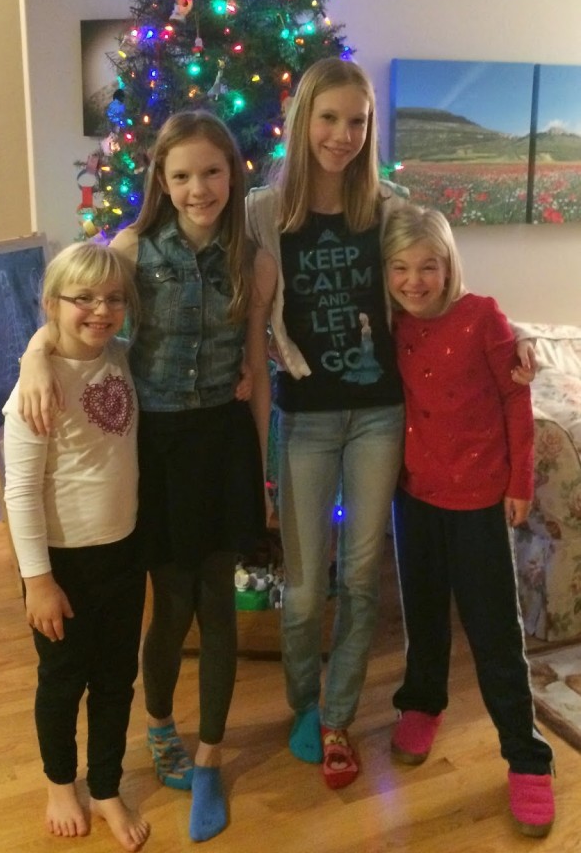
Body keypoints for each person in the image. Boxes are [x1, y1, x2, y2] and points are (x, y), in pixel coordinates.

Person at [18, 111, 276, 844]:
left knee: (219, 605)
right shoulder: (131, 249)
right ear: (161, 178)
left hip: (223, 445)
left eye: (212, 172)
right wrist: (35, 356)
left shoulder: (254, 260)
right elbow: (75, 311)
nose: (199, 188)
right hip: (154, 447)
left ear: (233, 173)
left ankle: (211, 755)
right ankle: (160, 725)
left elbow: (256, 371)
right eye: (182, 175)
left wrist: (258, 474)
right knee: (170, 604)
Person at [246, 56, 408, 788]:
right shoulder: (264, 211)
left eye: (357, 121)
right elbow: (168, 231)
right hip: (305, 419)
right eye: (329, 118)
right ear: (302, 119)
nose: (343, 135)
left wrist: (507, 344)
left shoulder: (389, 209)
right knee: (307, 588)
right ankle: (304, 704)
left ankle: (339, 712)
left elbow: (437, 282)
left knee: (363, 577)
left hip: (379, 416)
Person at [382, 204, 555, 838]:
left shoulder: (483, 316)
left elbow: (516, 397)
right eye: (400, 268)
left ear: (449, 264)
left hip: (479, 499)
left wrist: (520, 481)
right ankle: (422, 701)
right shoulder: (392, 323)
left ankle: (526, 755)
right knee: (423, 614)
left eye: (428, 266)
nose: (415, 280)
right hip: (414, 496)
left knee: (493, 630)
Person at [3, 242, 150, 852]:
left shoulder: (120, 356)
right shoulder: (35, 390)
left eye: (114, 298)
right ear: (51, 304)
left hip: (124, 550)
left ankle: (107, 784)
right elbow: (19, 492)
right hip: (62, 563)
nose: (101, 310)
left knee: (116, 679)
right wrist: (38, 580)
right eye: (83, 298)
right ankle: (60, 782)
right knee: (63, 681)